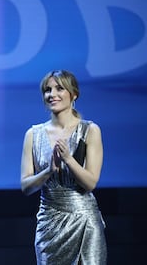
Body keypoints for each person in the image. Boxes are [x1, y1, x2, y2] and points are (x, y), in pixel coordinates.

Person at [20, 70, 107, 264]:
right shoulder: (33, 135)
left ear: (73, 94)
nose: (52, 94)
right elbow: (26, 186)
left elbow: (90, 182)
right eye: (47, 90)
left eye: (59, 88)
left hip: (84, 221)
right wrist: (49, 171)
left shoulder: (90, 130)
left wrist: (68, 158)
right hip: (49, 224)